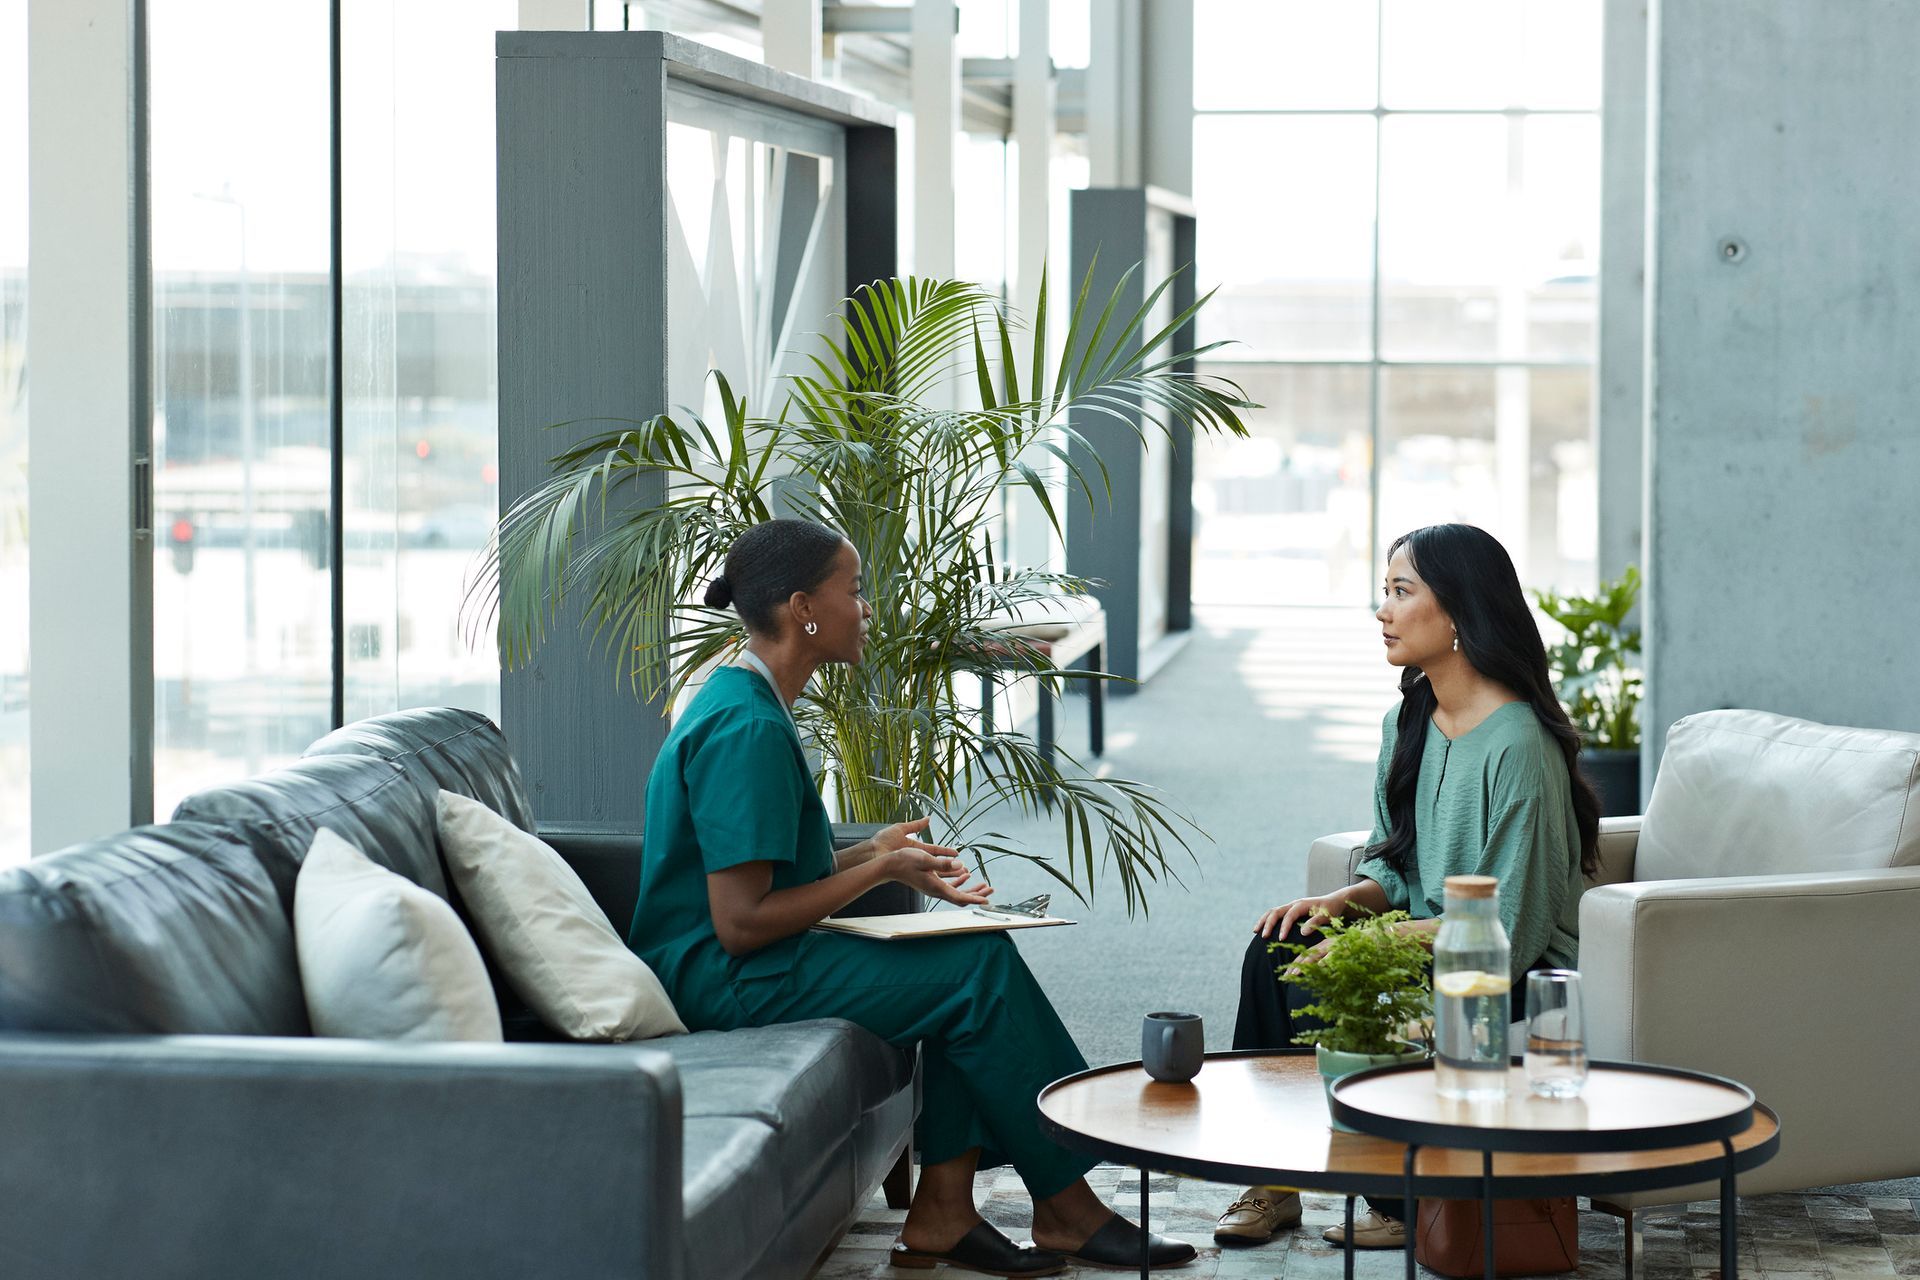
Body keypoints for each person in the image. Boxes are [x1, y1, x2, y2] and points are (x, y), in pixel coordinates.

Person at [629, 518, 1197, 1277]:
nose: (866, 608)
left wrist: (877, 852)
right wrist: (874, 873)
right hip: (722, 978)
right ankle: (1065, 1207)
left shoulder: (745, 699)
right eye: (854, 591)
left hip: (741, 963)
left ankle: (946, 1214)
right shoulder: (746, 727)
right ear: (803, 607)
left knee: (963, 962)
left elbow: (765, 876)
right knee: (975, 971)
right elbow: (739, 924)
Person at [1213, 523, 1599, 1250]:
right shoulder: (1410, 718)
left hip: (1502, 969)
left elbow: (1509, 935)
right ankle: (1275, 1181)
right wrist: (1338, 906)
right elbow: (1397, 864)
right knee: (1276, 950)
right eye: (1384, 592)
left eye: (1400, 592)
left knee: (1336, 982)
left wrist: (1373, 947)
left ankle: (1397, 1201)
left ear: (1456, 612)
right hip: (1422, 941)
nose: (1382, 611)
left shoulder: (1519, 746)